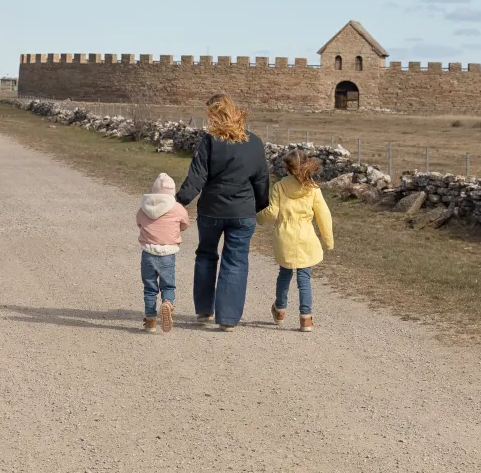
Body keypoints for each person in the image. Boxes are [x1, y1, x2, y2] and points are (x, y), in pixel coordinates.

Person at [175, 93, 269, 330]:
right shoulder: (255, 142)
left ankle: (205, 311)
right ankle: (227, 317)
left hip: (212, 210)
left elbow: (197, 176)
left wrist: (179, 202)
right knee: (236, 261)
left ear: (213, 115)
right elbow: (261, 179)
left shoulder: (210, 141)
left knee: (206, 255)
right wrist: (260, 205)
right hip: (243, 211)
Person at [258, 152, 334, 332]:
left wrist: (258, 218)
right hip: (306, 237)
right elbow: (324, 216)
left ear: (286, 168)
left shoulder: (279, 186)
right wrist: (328, 241)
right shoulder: (314, 189)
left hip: (285, 237)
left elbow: (272, 212)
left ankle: (280, 310)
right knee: (304, 278)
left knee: (284, 274)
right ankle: (306, 318)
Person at [136, 173, 189, 333]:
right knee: (168, 285)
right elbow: (185, 224)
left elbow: (138, 222)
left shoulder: (144, 207)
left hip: (148, 252)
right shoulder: (177, 208)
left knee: (150, 287)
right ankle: (167, 303)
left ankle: (151, 321)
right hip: (167, 253)